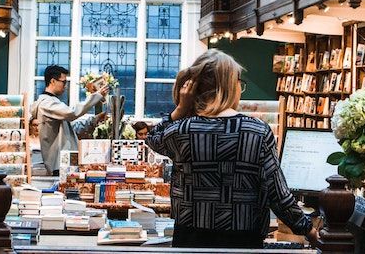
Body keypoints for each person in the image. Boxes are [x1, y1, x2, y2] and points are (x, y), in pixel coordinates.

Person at [145, 49, 319, 249]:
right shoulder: (257, 132)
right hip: (243, 241)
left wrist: (181, 109)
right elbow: (277, 194)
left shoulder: (182, 131)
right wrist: (308, 230)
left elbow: (152, 137)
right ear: (230, 85)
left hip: (189, 241)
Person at [30, 65, 109, 175]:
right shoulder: (46, 103)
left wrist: (94, 120)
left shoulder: (53, 102)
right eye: (64, 82)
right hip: (58, 161)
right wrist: (96, 96)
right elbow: (72, 113)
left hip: (64, 160)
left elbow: (70, 128)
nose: (65, 86)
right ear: (53, 81)